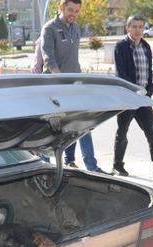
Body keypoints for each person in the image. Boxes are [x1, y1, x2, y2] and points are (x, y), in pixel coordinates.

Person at [40, 0, 106, 174]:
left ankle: (90, 166)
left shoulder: (75, 28)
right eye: (70, 10)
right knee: (52, 128)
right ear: (61, 7)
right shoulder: (49, 28)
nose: (73, 14)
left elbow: (73, 58)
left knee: (83, 124)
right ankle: (43, 165)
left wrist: (79, 80)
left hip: (73, 85)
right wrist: (61, 80)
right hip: (54, 87)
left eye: (76, 11)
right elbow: (49, 59)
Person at [112, 16, 153, 178]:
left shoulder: (146, 46)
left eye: (140, 27)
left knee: (151, 131)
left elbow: (148, 71)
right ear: (127, 28)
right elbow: (121, 74)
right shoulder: (121, 46)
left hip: (143, 98)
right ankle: (117, 166)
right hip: (127, 98)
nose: (137, 30)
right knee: (122, 132)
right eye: (134, 26)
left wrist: (149, 90)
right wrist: (133, 91)